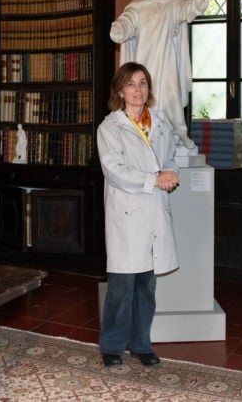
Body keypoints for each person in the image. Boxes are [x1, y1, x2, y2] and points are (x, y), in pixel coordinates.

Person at [97, 61, 180, 368]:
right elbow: (115, 171)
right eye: (131, 84)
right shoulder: (110, 127)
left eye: (143, 83)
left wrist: (170, 169)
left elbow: (170, 154)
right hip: (128, 214)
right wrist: (153, 180)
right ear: (120, 90)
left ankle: (142, 344)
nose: (138, 89)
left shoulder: (158, 122)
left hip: (154, 211)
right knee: (121, 287)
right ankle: (112, 346)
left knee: (146, 285)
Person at [110, 0, 220, 148]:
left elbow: (187, 8)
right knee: (143, 95)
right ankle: (145, 133)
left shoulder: (172, 3)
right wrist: (120, 28)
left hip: (167, 59)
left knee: (171, 96)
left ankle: (178, 133)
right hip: (144, 62)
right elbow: (127, 22)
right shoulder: (137, 6)